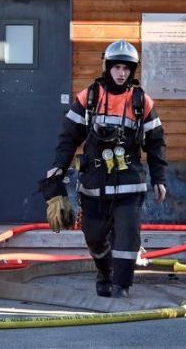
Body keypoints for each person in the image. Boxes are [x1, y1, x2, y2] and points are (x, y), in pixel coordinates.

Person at [39, 39, 167, 299]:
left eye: (126, 68)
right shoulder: (89, 97)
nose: (121, 73)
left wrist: (159, 178)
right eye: (117, 67)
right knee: (94, 237)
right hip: (94, 183)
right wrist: (58, 168)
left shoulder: (142, 102)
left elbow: (156, 144)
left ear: (133, 70)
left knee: (128, 236)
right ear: (107, 67)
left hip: (130, 182)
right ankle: (105, 272)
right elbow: (68, 138)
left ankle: (122, 285)